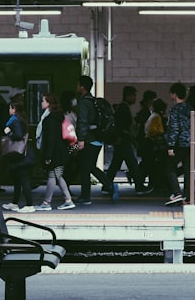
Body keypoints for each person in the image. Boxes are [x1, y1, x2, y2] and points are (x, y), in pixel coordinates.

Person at [74, 74, 116, 206]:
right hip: (98, 139)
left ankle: (85, 197)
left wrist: (80, 140)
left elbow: (83, 122)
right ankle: (110, 186)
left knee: (85, 169)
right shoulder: (94, 101)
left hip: (88, 140)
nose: (77, 87)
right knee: (91, 167)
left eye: (78, 84)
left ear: (82, 87)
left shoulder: (84, 103)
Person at [105, 85, 150, 194]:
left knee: (115, 164)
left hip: (122, 140)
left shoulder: (123, 107)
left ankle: (106, 186)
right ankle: (139, 186)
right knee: (132, 163)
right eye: (133, 96)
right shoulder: (124, 108)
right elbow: (122, 125)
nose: (135, 98)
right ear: (128, 96)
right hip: (123, 140)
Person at [36, 93, 75, 210]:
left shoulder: (50, 119)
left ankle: (46, 203)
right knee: (58, 176)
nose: (41, 103)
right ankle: (68, 200)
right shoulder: (59, 117)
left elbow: (50, 139)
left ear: (48, 103)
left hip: (55, 153)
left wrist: (48, 155)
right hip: (61, 151)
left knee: (53, 176)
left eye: (43, 101)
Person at [1, 100, 36, 212]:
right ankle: (14, 203)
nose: (9, 110)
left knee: (23, 179)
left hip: (21, 156)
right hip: (21, 155)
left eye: (10, 108)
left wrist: (8, 132)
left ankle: (29, 205)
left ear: (14, 109)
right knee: (17, 179)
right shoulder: (21, 119)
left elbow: (18, 135)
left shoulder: (15, 120)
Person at [163, 81, 190, 205]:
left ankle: (177, 192)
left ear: (174, 94)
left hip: (179, 143)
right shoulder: (190, 108)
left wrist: (171, 145)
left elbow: (174, 128)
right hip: (191, 143)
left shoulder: (175, 109)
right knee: (188, 169)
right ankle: (188, 196)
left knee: (169, 167)